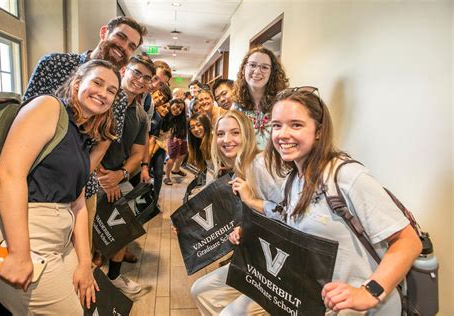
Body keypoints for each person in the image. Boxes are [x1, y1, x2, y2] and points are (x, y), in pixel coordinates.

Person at [235, 87, 423, 315]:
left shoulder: (347, 177)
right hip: (312, 298)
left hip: (354, 306)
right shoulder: (293, 179)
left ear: (318, 131)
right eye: (276, 125)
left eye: (296, 124)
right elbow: (286, 218)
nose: (282, 134)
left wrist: (368, 292)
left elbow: (409, 242)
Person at [0, 60, 121, 315]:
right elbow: (9, 173)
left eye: (112, 91)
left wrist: (84, 263)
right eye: (98, 83)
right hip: (25, 231)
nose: (103, 93)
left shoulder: (80, 136)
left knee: (88, 303)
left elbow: (78, 204)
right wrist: (18, 251)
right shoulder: (48, 106)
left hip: (60, 238)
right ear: (78, 82)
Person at [22, 15, 147, 250]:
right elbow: (24, 119)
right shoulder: (55, 64)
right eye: (121, 37)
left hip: (79, 189)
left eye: (132, 46)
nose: (124, 48)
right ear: (103, 33)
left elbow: (103, 143)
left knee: (77, 255)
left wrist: (75, 180)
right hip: (30, 179)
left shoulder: (117, 94)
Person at [191, 110, 283, 316]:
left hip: (278, 266)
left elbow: (286, 214)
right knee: (201, 291)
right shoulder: (231, 170)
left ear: (247, 136)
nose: (227, 140)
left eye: (235, 133)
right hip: (254, 256)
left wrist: (252, 201)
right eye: (221, 134)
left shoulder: (260, 165)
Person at [95, 56, 155, 295]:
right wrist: (103, 177)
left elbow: (138, 152)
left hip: (119, 178)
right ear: (124, 70)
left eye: (146, 78)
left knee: (123, 228)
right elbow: (88, 142)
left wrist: (119, 175)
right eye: (136, 73)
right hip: (92, 177)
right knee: (89, 236)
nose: (140, 80)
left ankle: (113, 277)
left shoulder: (140, 115)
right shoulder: (103, 101)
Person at [232, 46, 289, 150]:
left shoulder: (283, 104)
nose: (257, 71)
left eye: (264, 67)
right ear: (244, 67)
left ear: (272, 72)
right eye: (253, 65)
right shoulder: (236, 107)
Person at [148, 85, 173, 199]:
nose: (165, 110)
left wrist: (151, 153)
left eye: (168, 108)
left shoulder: (165, 120)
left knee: (158, 173)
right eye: (163, 106)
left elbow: (162, 140)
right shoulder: (150, 112)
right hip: (147, 147)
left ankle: (155, 198)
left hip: (158, 148)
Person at [163, 99, 188, 185]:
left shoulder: (181, 118)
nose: (178, 110)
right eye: (177, 106)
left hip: (182, 139)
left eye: (180, 109)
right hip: (172, 139)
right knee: (172, 158)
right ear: (172, 103)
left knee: (182, 154)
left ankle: (176, 169)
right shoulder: (166, 114)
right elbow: (165, 129)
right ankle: (166, 176)